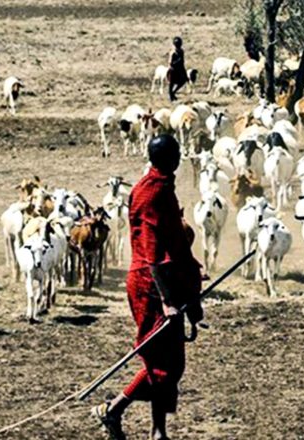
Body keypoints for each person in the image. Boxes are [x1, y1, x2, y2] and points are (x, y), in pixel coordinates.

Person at [92, 135, 203, 440]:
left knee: (173, 364)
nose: (180, 158)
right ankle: (114, 409)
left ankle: (158, 431)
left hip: (168, 284)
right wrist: (168, 299)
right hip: (152, 287)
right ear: (169, 158)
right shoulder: (152, 193)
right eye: (177, 153)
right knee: (161, 365)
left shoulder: (160, 186)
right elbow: (152, 253)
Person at [167, 37, 188, 102]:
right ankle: (171, 95)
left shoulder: (181, 51)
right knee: (171, 83)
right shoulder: (173, 52)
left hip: (180, 69)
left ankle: (173, 92)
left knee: (183, 81)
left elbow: (182, 62)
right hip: (173, 70)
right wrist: (177, 62)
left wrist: (184, 72)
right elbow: (170, 63)